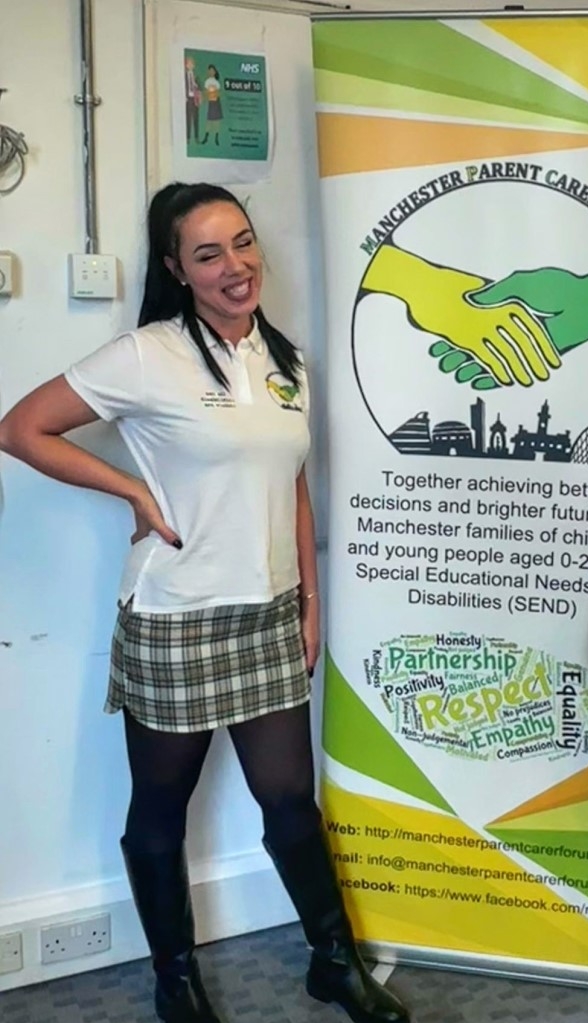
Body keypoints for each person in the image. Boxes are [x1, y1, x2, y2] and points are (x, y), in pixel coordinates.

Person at [0, 182, 409, 1023]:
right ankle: (174, 978)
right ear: (176, 268)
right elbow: (21, 427)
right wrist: (131, 493)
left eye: (244, 243)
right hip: (175, 618)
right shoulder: (148, 354)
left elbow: (291, 484)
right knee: (160, 808)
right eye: (209, 253)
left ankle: (334, 962)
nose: (236, 266)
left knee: (290, 799)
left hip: (265, 615)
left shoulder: (286, 360)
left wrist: (309, 600)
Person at [201, 66, 222, 146]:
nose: (211, 72)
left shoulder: (217, 82)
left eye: (212, 70)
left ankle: (216, 138)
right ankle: (206, 137)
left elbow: (219, 93)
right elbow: (205, 92)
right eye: (210, 71)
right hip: (210, 102)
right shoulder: (207, 82)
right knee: (209, 121)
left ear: (215, 72)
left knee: (217, 121)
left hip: (216, 102)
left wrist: (214, 93)